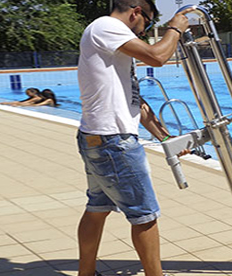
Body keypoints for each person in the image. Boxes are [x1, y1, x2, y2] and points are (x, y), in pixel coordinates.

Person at [75, 1, 191, 276]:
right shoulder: (107, 26)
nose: (145, 30)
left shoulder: (113, 45)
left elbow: (134, 102)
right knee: (145, 216)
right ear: (136, 12)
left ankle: (86, 273)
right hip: (113, 143)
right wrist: (175, 27)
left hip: (99, 138)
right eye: (148, 23)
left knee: (97, 208)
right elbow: (157, 57)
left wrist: (166, 137)